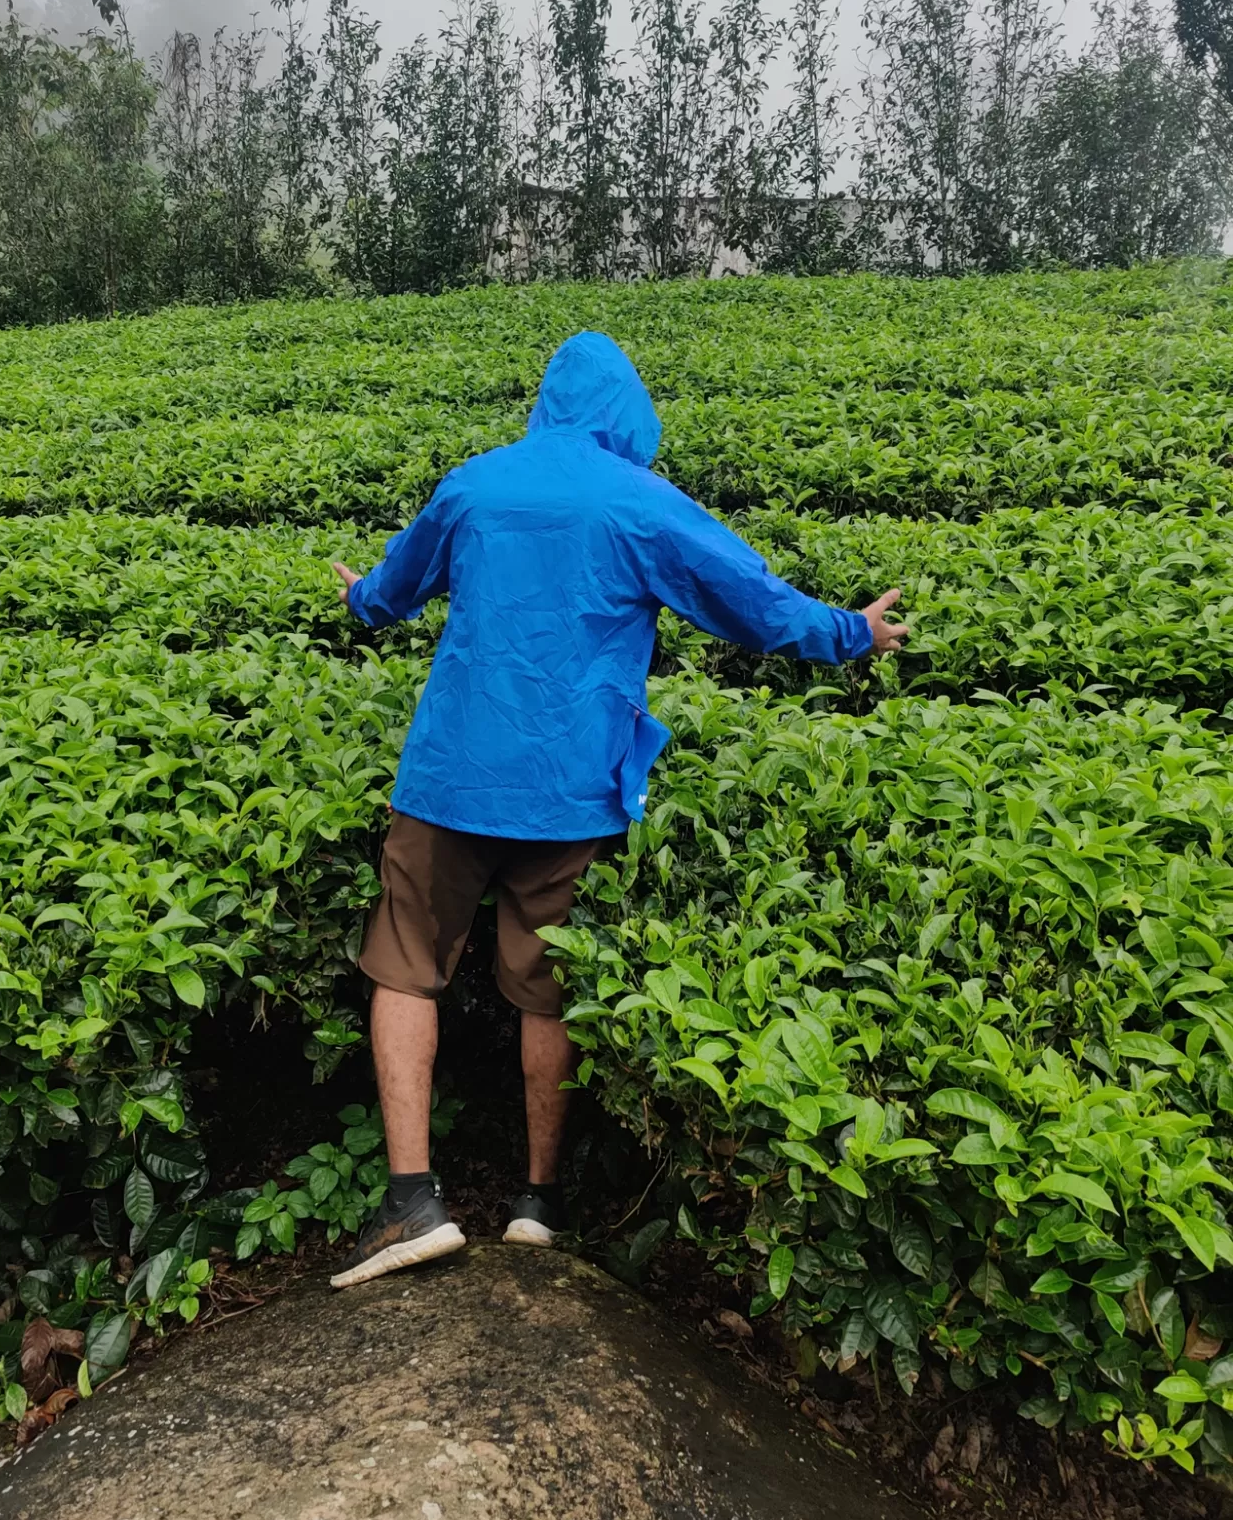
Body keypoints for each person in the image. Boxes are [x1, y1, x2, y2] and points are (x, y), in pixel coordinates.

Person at [328, 332, 906, 1289]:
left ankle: (412, 1204)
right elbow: (750, 601)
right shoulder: (641, 501)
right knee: (548, 984)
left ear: (546, 402)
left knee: (406, 968)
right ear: (628, 413)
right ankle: (539, 1205)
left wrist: (361, 606)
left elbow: (390, 591)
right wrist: (852, 633)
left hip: (453, 780)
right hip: (572, 791)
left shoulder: (475, 486)